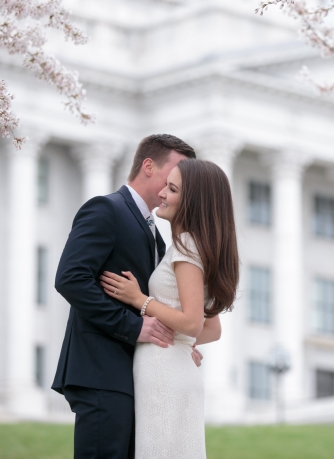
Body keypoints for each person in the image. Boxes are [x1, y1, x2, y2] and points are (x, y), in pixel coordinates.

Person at [51, 134, 197, 459]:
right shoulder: (107, 209)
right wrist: (133, 327)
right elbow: (70, 279)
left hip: (135, 378)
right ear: (148, 166)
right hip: (101, 372)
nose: (176, 184)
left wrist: (178, 341)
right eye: (174, 174)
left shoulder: (157, 237)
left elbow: (155, 305)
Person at [100, 158, 240, 459]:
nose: (162, 193)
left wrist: (140, 300)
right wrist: (179, 341)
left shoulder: (187, 245)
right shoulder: (200, 246)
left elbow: (191, 323)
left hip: (163, 372)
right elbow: (210, 329)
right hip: (176, 369)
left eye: (172, 189)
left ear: (193, 202)